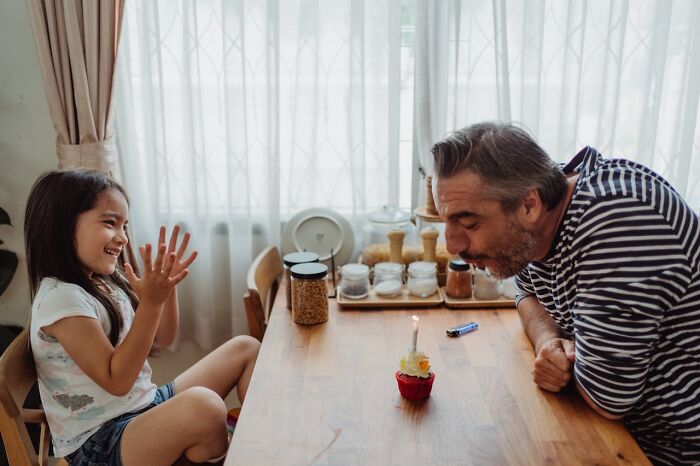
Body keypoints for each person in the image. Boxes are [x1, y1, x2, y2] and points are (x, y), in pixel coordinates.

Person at [431, 122, 700, 466]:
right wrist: (548, 341)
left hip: (671, 450)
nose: (453, 246)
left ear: (529, 205)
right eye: (447, 223)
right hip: (617, 431)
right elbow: (525, 293)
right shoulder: (542, 212)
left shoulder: (617, 221)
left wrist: (572, 362)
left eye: (469, 224)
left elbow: (608, 396)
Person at [24, 170, 261, 465]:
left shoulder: (103, 281)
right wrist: (150, 304)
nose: (123, 237)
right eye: (111, 223)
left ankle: (262, 441)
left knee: (246, 348)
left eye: (125, 226)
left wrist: (165, 291)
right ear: (62, 225)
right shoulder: (61, 298)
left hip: (140, 408)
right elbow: (117, 380)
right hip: (99, 443)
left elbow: (162, 338)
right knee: (206, 408)